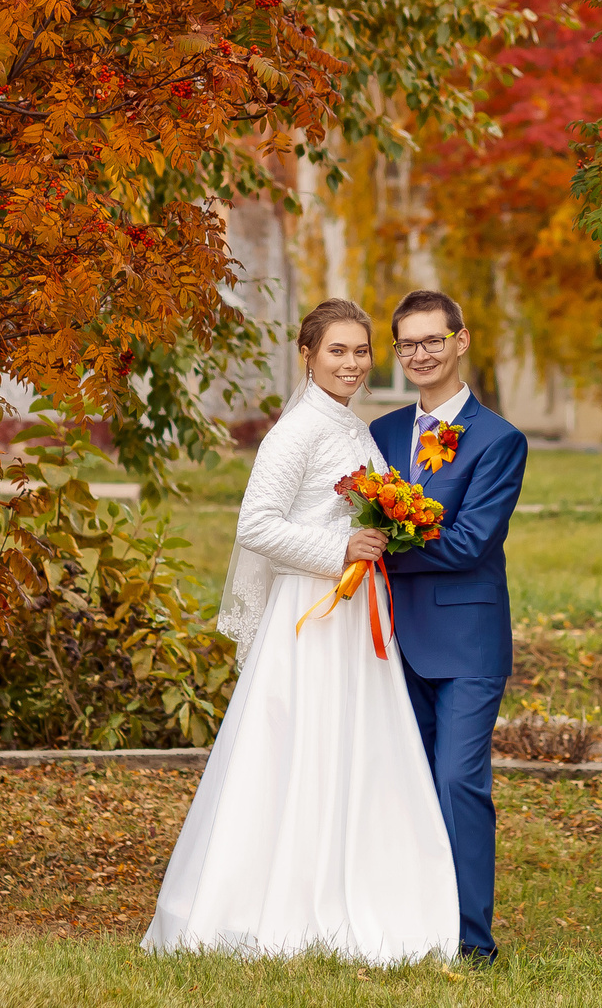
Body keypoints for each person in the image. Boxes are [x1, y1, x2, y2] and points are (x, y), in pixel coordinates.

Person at [141, 298, 459, 964]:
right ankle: (274, 901)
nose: (352, 363)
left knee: (356, 749)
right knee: (300, 751)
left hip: (356, 615)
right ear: (307, 356)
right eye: (337, 351)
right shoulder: (297, 431)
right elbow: (255, 524)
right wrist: (340, 549)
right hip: (312, 614)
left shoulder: (352, 426)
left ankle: (359, 886)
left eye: (361, 351)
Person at [367, 289, 527, 968]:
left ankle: (470, 940)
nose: (421, 353)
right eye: (408, 343)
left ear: (461, 341)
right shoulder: (378, 434)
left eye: (433, 339)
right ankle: (409, 926)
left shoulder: (499, 440)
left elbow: (469, 543)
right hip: (386, 640)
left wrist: (377, 550)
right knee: (398, 782)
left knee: (459, 782)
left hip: (466, 644)